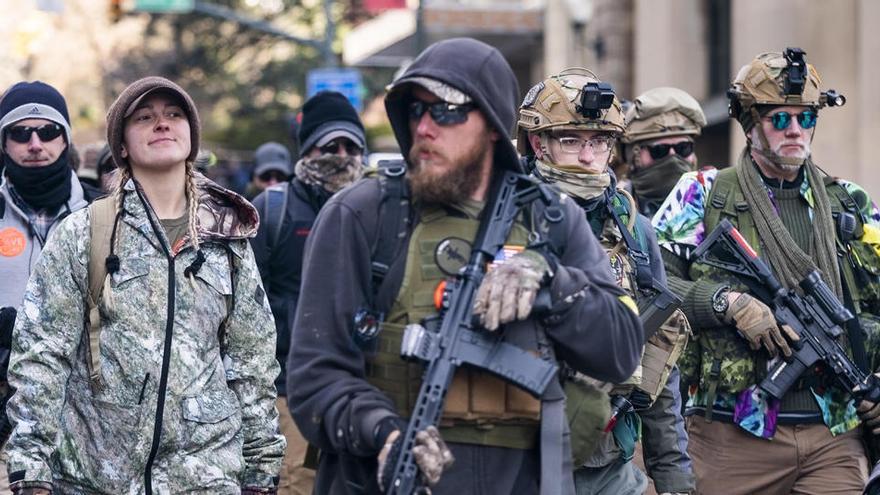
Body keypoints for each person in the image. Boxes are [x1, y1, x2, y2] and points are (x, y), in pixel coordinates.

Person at [286, 37, 644, 494]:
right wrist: (383, 432)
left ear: (493, 123)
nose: (425, 128)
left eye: (448, 110)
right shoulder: (364, 214)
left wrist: (551, 282)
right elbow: (315, 376)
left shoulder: (551, 219)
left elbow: (620, 353)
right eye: (417, 110)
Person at [5, 76, 285, 494]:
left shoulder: (226, 238)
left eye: (174, 115)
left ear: (191, 136)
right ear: (121, 146)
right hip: (97, 478)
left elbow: (252, 361)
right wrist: (31, 470)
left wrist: (262, 471)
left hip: (205, 478)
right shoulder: (83, 233)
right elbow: (42, 357)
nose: (162, 124)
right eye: (144, 118)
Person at [653, 48, 880, 494]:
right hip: (730, 437)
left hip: (834, 435)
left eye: (806, 118)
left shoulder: (850, 203)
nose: (795, 130)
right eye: (780, 119)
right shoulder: (702, 194)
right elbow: (649, 286)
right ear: (750, 122)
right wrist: (726, 303)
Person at [518, 68, 694, 495]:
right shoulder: (505, 218)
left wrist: (673, 480)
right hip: (518, 454)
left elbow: (658, 362)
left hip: (606, 460)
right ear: (539, 143)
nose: (587, 156)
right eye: (571, 141)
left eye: (599, 142)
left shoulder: (634, 229)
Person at [250, 91, 367, 495]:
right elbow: (248, 307)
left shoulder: (375, 208)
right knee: (299, 484)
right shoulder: (272, 211)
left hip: (363, 387)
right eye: (329, 145)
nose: (341, 155)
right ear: (307, 150)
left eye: (352, 146)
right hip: (291, 388)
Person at [0, 80, 90, 495]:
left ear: (66, 138)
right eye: (20, 133)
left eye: (48, 131)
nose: (35, 143)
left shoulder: (103, 211)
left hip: (90, 423)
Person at [619, 87, 707, 218]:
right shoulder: (615, 207)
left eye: (683, 148)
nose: (673, 157)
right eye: (660, 150)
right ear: (634, 155)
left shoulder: (714, 204)